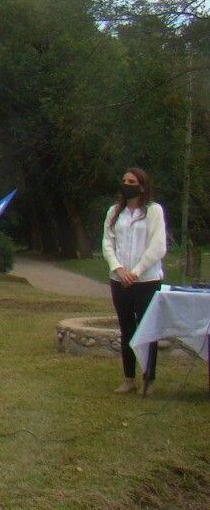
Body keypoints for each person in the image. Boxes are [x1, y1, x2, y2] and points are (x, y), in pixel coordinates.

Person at [102, 167, 167, 396]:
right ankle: (129, 378)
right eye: (124, 180)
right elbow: (108, 243)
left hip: (146, 281)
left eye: (131, 181)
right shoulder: (114, 212)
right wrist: (118, 269)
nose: (126, 184)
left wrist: (136, 271)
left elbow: (158, 246)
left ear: (141, 186)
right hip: (119, 280)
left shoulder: (153, 211)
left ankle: (149, 377)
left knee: (148, 330)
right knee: (126, 329)